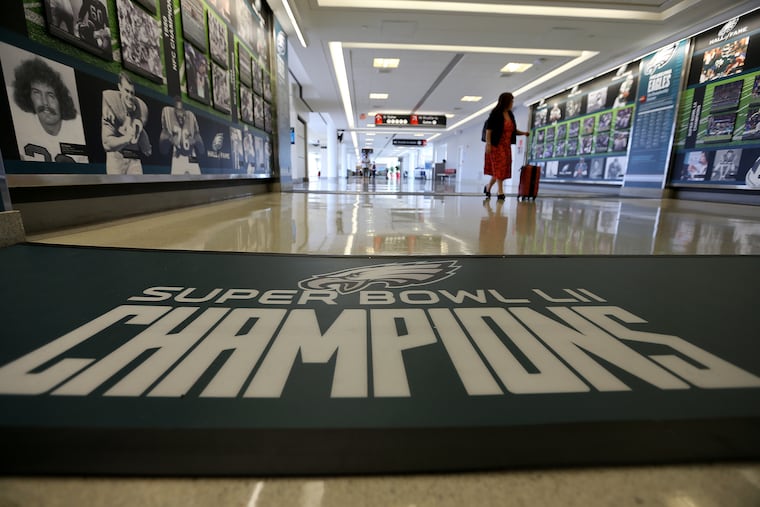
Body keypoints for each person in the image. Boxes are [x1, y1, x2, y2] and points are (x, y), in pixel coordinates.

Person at [8, 53, 88, 163]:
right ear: (29, 96)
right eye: (36, 93)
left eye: (50, 95)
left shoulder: (78, 127)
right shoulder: (19, 120)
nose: (44, 102)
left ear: (61, 100)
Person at [102, 72, 152, 174]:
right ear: (120, 87)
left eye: (132, 93)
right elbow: (107, 144)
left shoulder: (140, 107)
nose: (129, 96)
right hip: (116, 157)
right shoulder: (111, 102)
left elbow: (147, 150)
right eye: (127, 91)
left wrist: (144, 142)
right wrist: (127, 138)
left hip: (133, 157)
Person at [483, 92, 530, 199]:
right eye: (511, 101)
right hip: (496, 145)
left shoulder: (510, 114)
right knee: (499, 168)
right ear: (506, 101)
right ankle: (500, 191)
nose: (512, 103)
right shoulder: (495, 114)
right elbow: (489, 130)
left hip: (506, 146)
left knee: (501, 170)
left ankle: (488, 187)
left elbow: (513, 130)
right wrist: (488, 144)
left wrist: (523, 133)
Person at [159, 97, 204, 175]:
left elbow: (200, 145)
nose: (180, 116)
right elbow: (162, 146)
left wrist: (195, 141)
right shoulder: (168, 113)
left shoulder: (190, 116)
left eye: (181, 111)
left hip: (191, 156)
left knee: (198, 182)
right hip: (177, 156)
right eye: (178, 111)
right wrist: (170, 139)